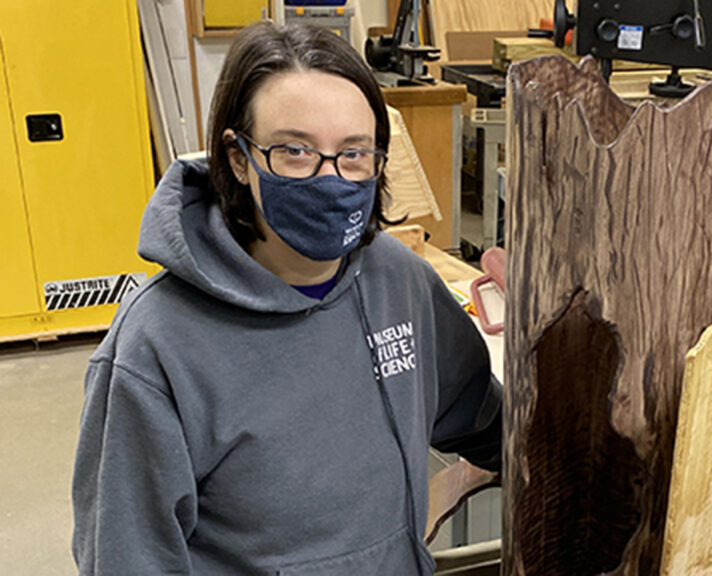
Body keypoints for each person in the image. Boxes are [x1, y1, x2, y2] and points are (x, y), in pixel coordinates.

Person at [72, 21, 501, 575]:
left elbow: (485, 420)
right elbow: (127, 559)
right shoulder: (154, 349)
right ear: (238, 158)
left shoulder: (400, 282)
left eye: (353, 154)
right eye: (295, 151)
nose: (330, 178)